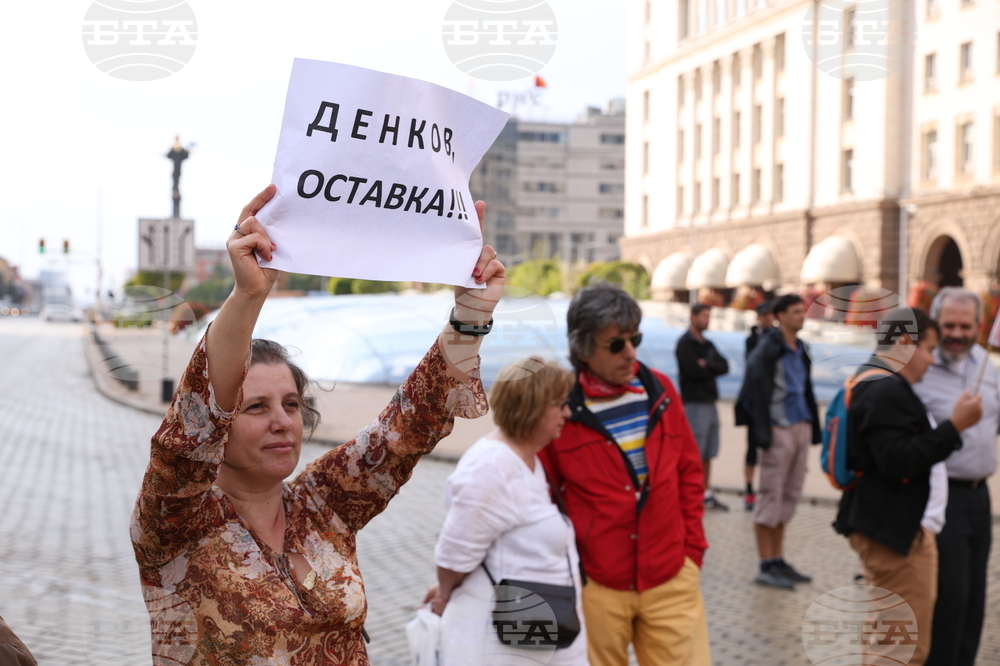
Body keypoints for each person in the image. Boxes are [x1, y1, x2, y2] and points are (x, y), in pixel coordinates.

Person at [130, 185, 504, 665]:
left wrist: (470, 316)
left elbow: (405, 428)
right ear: (219, 424)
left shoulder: (322, 503)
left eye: (290, 404)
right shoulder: (175, 521)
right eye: (256, 408)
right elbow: (190, 430)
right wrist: (249, 294)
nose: (282, 422)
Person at [539, 283, 710, 666]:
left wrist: (692, 553)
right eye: (616, 344)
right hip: (597, 585)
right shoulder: (560, 411)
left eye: (635, 339)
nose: (630, 351)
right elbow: (542, 496)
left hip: (671, 575)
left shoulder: (661, 392)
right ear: (583, 349)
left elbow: (689, 473)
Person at [834, 307, 982, 665]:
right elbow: (897, 460)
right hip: (893, 530)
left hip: (891, 525)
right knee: (901, 650)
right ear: (904, 343)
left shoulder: (879, 381)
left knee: (889, 641)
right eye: (928, 349)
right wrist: (954, 427)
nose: (932, 360)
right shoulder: (883, 388)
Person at [425, 356, 588, 665]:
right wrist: (445, 593)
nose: (567, 412)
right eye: (560, 404)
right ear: (532, 406)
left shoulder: (526, 458)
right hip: (501, 643)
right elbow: (453, 557)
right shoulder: (492, 466)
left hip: (536, 632)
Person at [912, 288, 1000, 666]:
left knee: (975, 599)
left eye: (966, 326)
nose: (957, 334)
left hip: (980, 498)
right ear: (936, 322)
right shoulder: (921, 368)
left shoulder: (985, 363)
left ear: (978, 325)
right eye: (949, 325)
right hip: (940, 498)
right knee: (950, 597)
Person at [735, 294, 820, 589]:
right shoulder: (768, 347)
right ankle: (765, 564)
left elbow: (806, 388)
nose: (802, 316)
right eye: (796, 311)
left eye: (803, 311)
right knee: (771, 494)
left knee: (789, 494)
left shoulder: (801, 348)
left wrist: (813, 426)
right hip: (778, 427)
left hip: (800, 424)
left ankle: (778, 559)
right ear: (780, 316)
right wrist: (763, 429)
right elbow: (754, 389)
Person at [676, 303, 730, 510]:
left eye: (709, 316)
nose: (707, 320)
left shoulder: (708, 344)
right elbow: (693, 371)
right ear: (693, 317)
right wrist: (711, 366)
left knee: (708, 450)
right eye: (703, 316)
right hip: (694, 403)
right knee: (695, 451)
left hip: (710, 402)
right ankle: (691, 493)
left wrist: (706, 364)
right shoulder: (685, 344)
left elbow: (724, 366)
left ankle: (704, 492)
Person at [742, 300, 774, 511]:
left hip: (772, 403)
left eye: (770, 314)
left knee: (772, 449)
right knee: (752, 448)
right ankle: (749, 489)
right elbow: (753, 363)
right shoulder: (753, 339)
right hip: (755, 402)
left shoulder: (778, 338)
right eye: (765, 315)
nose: (768, 319)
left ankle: (767, 490)